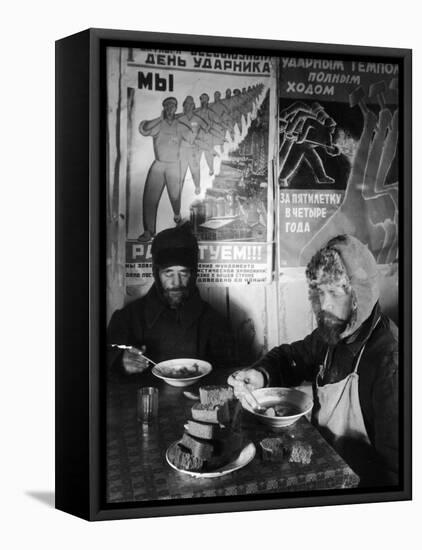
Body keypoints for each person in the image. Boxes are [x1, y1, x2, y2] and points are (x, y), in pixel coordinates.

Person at [228, 234, 398, 487]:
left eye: (334, 292)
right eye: (320, 291)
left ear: (360, 294)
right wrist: (261, 375)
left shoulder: (390, 362)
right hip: (322, 464)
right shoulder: (332, 334)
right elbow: (291, 357)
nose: (324, 305)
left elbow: (395, 471)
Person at [108, 227, 232, 375]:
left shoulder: (215, 322)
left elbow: (228, 376)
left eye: (183, 272)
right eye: (168, 273)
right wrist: (119, 362)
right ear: (156, 273)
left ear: (193, 274)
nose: (176, 283)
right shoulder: (127, 318)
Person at [137, 97, 183, 242]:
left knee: (175, 197)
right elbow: (144, 129)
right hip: (159, 164)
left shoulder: (180, 123)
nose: (170, 108)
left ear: (176, 108)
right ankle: (148, 231)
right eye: (167, 105)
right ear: (163, 107)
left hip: (175, 165)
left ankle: (178, 217)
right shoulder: (158, 123)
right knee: (150, 198)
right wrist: (160, 118)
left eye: (173, 105)